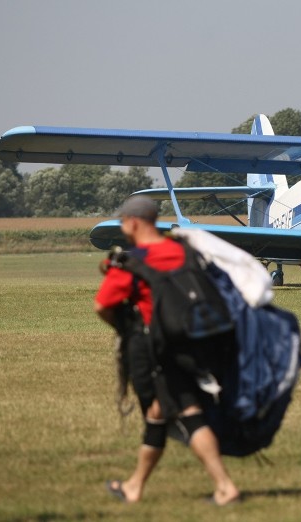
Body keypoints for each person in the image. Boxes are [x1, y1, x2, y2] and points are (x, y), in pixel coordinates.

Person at [94, 195, 240, 506]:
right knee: (158, 414)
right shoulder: (183, 250)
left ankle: (225, 487)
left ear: (133, 222)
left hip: (155, 350)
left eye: (123, 222)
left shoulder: (132, 261)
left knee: (185, 411)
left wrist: (124, 328)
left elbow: (102, 305)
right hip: (192, 343)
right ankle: (134, 486)